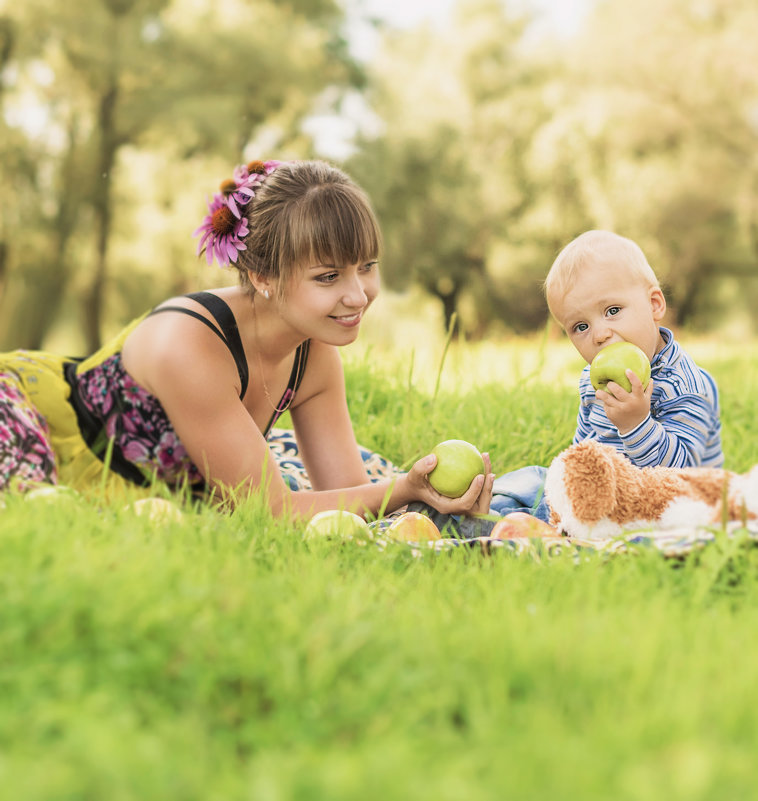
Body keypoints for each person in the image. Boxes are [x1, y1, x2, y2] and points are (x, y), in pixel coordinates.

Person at [0, 158, 494, 522]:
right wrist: (404, 487)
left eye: (366, 267)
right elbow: (270, 511)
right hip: (41, 423)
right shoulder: (190, 345)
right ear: (262, 276)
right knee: (34, 515)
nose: (358, 294)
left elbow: (346, 494)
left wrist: (414, 493)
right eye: (328, 277)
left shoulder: (312, 351)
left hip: (163, 489)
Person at [491, 229, 723, 521]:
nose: (599, 334)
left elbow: (681, 476)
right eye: (581, 327)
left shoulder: (685, 386)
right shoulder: (595, 378)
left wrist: (637, 424)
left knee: (533, 515)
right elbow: (585, 446)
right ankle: (480, 505)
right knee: (533, 480)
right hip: (603, 496)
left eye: (612, 310)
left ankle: (492, 521)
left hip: (660, 511)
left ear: (654, 304)